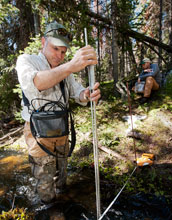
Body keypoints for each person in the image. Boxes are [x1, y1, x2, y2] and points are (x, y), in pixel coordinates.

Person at [16, 22, 101, 204]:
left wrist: (87, 94)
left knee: (62, 175)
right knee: (45, 184)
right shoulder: (27, 61)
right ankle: (50, 209)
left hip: (62, 131)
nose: (59, 56)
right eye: (55, 49)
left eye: (63, 52)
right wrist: (70, 65)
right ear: (43, 42)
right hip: (38, 133)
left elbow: (77, 93)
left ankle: (64, 199)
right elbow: (35, 83)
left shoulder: (65, 70)